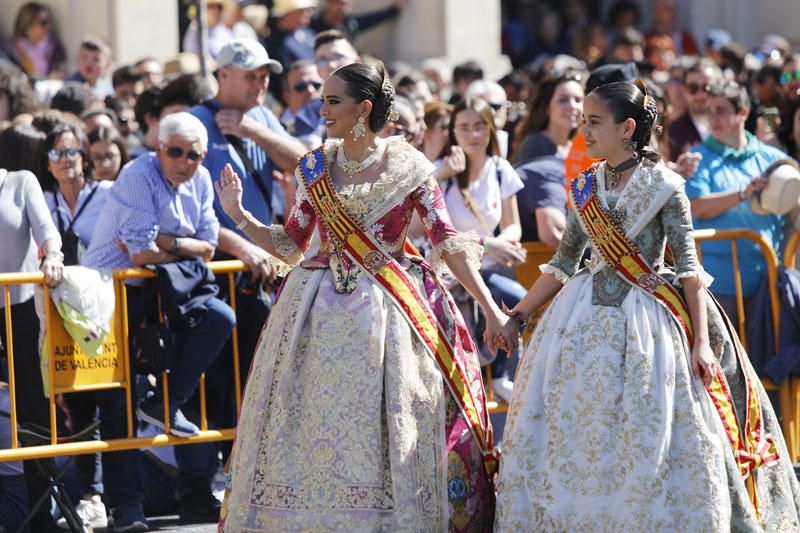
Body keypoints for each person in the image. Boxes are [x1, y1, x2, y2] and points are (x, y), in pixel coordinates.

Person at [215, 62, 511, 531]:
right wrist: (241, 217)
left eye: (334, 100)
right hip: (314, 311)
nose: (323, 109)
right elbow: (292, 245)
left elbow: (447, 242)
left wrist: (493, 311)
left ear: (364, 108)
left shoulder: (410, 167)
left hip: (389, 311)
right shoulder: (315, 165)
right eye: (324, 100)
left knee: (389, 421)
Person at [494, 79, 800, 530]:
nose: (586, 132)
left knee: (649, 429)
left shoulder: (666, 186)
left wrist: (701, 344)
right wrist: (517, 315)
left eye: (595, 123)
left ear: (627, 128)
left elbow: (690, 268)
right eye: (584, 122)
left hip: (650, 324)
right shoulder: (583, 187)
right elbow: (562, 264)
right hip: (580, 320)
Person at [82, 112, 236, 524]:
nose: (185, 161)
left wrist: (164, 243)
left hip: (168, 287)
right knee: (120, 399)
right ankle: (127, 507)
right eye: (176, 152)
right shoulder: (137, 174)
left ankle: (168, 405)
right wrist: (175, 248)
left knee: (219, 319)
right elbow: (138, 252)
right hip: (116, 293)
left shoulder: (200, 179)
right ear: (158, 149)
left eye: (194, 155)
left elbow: (205, 248)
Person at [686, 80, 798, 324]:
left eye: (722, 111)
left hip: (767, 285)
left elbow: (794, 210)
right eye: (710, 111)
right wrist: (743, 195)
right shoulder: (697, 159)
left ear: (743, 113)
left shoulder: (775, 159)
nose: (714, 118)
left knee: (765, 361)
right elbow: (697, 207)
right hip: (718, 287)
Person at [438, 98, 527, 403]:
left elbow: (512, 225)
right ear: (453, 131)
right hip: (450, 273)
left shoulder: (500, 169)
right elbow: (432, 231)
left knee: (519, 300)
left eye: (479, 127)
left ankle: (502, 372)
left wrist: (505, 243)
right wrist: (489, 242)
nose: (473, 135)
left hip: (487, 268)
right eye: (464, 127)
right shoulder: (442, 172)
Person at [0, 124, 64, 532]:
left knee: (32, 412)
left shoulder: (21, 183)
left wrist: (52, 257)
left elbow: (48, 233)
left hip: (21, 313)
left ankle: (42, 510)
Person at [512, 73, 584, 163]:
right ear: (546, 108)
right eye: (563, 100)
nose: (572, 106)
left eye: (578, 100)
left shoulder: (581, 146)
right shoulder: (535, 145)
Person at [668, 58, 721, 161]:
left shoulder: (732, 121)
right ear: (684, 90)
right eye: (693, 88)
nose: (700, 95)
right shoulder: (672, 133)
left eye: (707, 88)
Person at [3, 1, 66, 79]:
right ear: (28, 26)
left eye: (50, 21)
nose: (49, 26)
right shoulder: (8, 49)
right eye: (43, 22)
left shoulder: (56, 50)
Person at [310, 0, 406, 44]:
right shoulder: (313, 26)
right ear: (329, 3)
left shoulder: (350, 23)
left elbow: (371, 19)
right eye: (339, 3)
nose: (342, 7)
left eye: (346, 4)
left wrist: (394, 10)